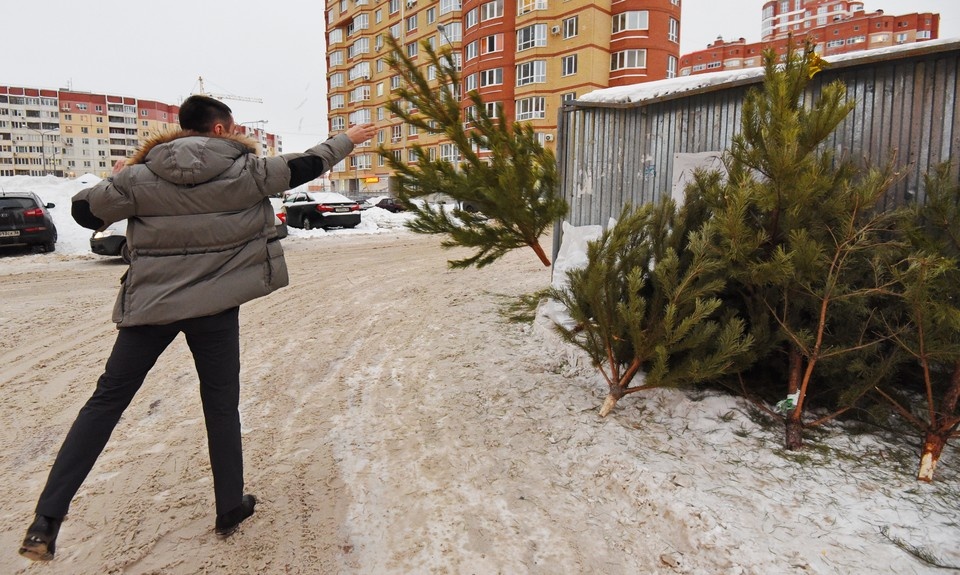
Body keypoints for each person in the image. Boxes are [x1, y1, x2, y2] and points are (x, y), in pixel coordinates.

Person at [18, 95, 376, 561]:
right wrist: (347, 139)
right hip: (215, 311)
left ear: (182, 129)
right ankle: (229, 506)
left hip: (150, 308)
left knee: (105, 403)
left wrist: (116, 176)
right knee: (220, 404)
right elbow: (307, 164)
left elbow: (85, 213)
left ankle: (46, 519)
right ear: (222, 129)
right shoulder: (248, 171)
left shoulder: (138, 177)